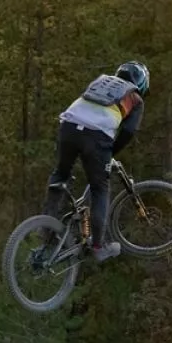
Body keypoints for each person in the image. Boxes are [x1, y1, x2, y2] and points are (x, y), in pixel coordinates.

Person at [49, 60, 148, 262]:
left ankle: (46, 233)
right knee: (99, 189)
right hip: (97, 137)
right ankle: (98, 247)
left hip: (67, 127)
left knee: (60, 175)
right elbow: (128, 130)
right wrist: (112, 151)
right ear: (142, 82)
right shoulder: (135, 98)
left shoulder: (100, 82)